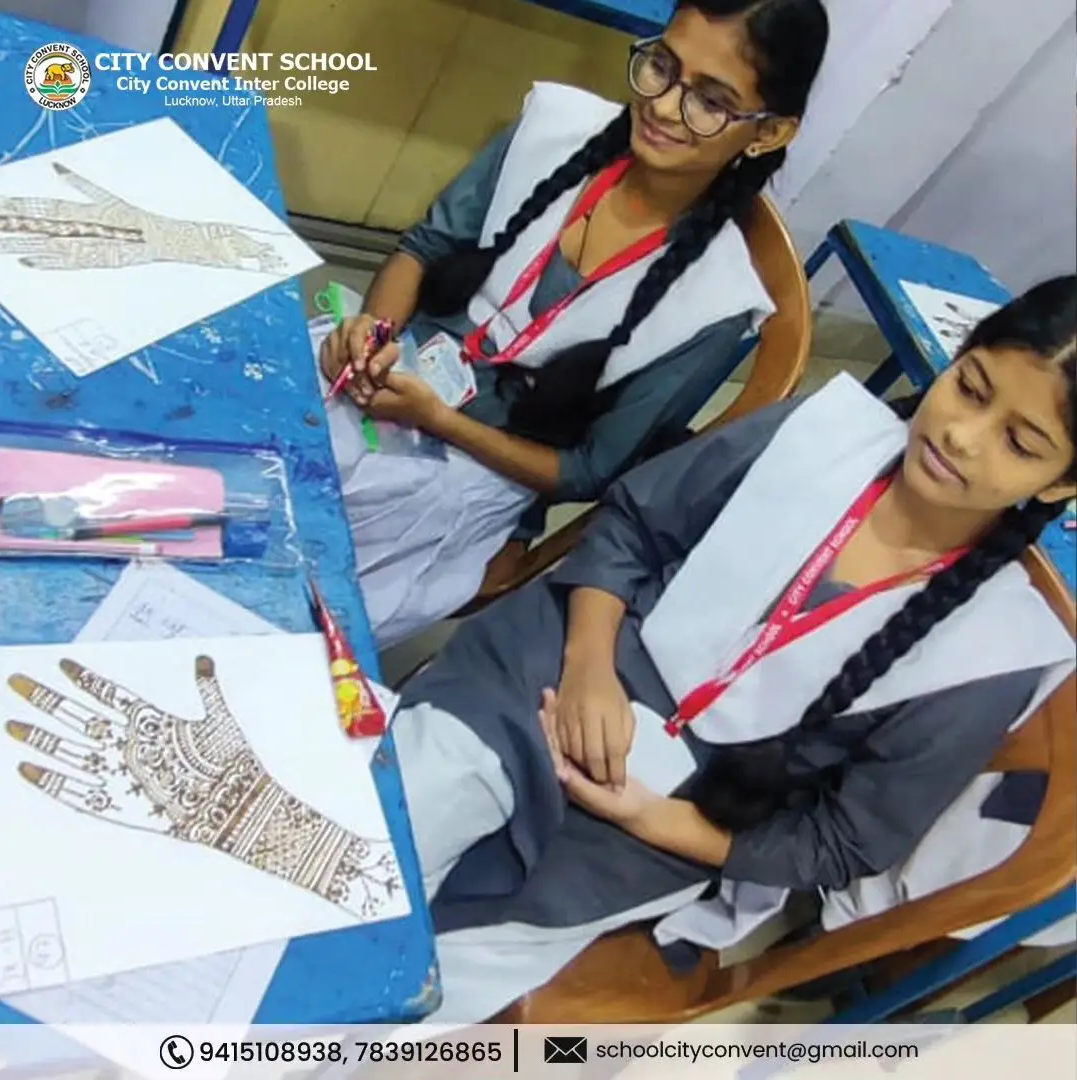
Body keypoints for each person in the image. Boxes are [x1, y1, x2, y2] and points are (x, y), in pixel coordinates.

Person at [387, 276, 1077, 1023]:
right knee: (380, 840)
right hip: (554, 673)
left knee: (426, 985)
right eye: (970, 388)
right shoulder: (822, 433)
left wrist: (650, 819)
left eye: (1019, 443)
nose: (963, 436)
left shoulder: (991, 650)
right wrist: (589, 669)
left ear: (1059, 485)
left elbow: (843, 842)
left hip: (669, 822)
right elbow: (631, 528)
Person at [314, 0, 830, 648]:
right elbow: (423, 249)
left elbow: (588, 470)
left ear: (768, 132)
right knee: (233, 450)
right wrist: (371, 337)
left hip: (484, 464)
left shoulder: (717, 303)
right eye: (663, 66)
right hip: (394, 369)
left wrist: (439, 420)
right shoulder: (552, 130)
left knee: (297, 578)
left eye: (710, 101)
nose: (664, 107)